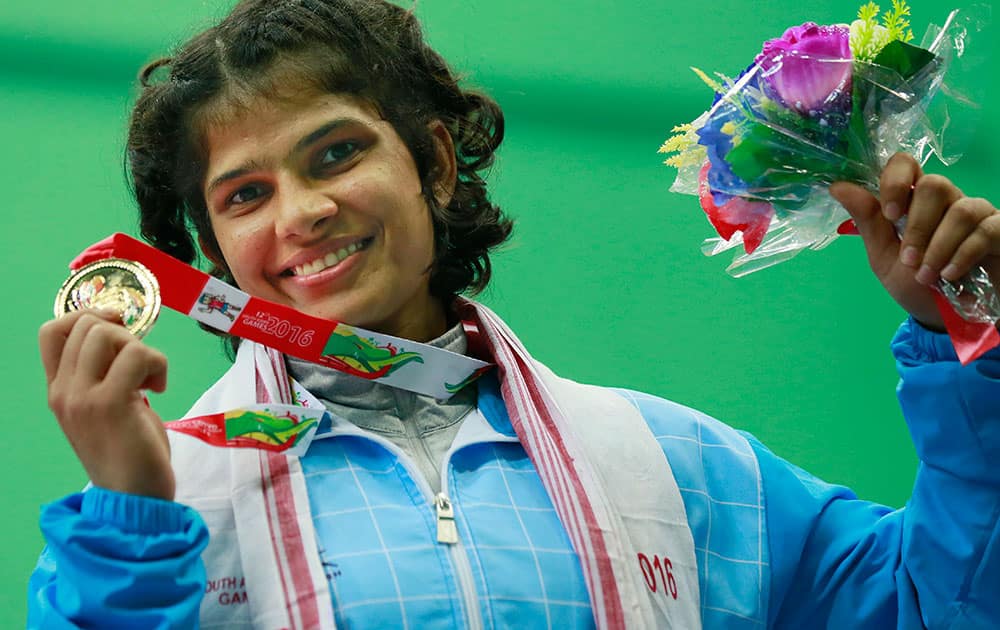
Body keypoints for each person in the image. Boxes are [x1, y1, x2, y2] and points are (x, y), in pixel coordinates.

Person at [28, 0, 1000, 628]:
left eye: (334, 154)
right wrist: (129, 513)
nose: (302, 212)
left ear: (436, 166)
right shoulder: (169, 506)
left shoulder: (674, 468)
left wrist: (970, 343)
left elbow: (937, 606)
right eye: (244, 196)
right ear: (211, 259)